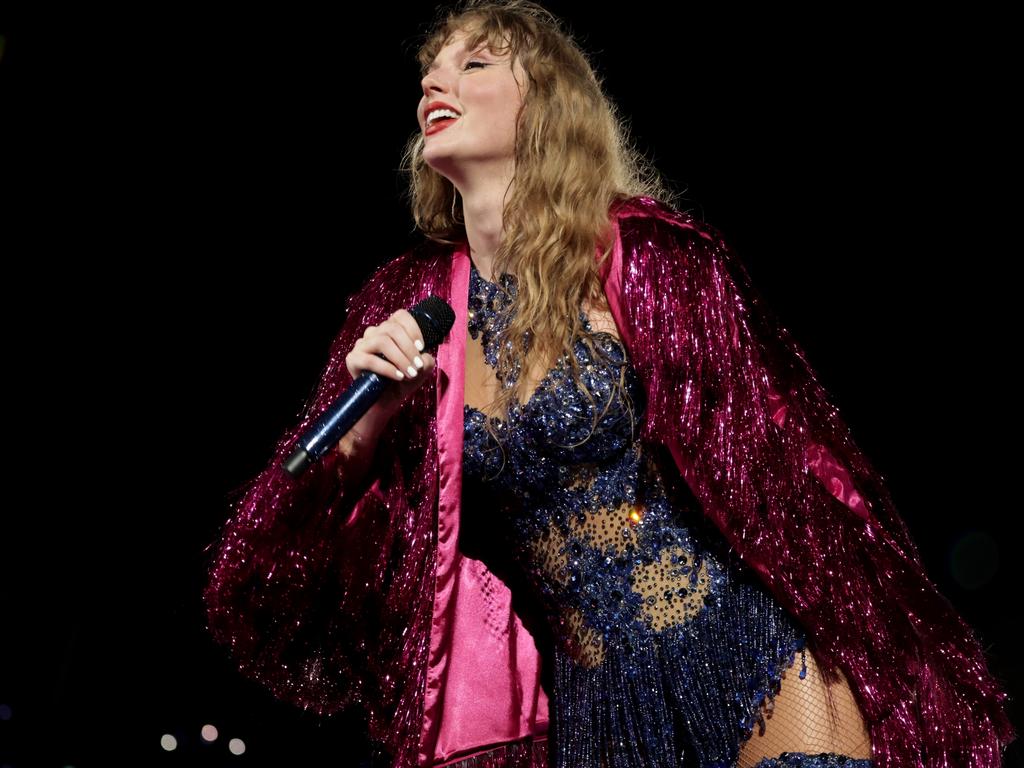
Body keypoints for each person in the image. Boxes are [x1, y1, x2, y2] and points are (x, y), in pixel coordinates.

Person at [202, 2, 1016, 767]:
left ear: (545, 106)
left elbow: (792, 468)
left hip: (748, 647)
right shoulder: (404, 306)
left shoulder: (652, 261)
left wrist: (891, 655)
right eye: (429, 70)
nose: (432, 83)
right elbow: (296, 566)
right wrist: (370, 420)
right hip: (598, 707)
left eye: (474, 63)